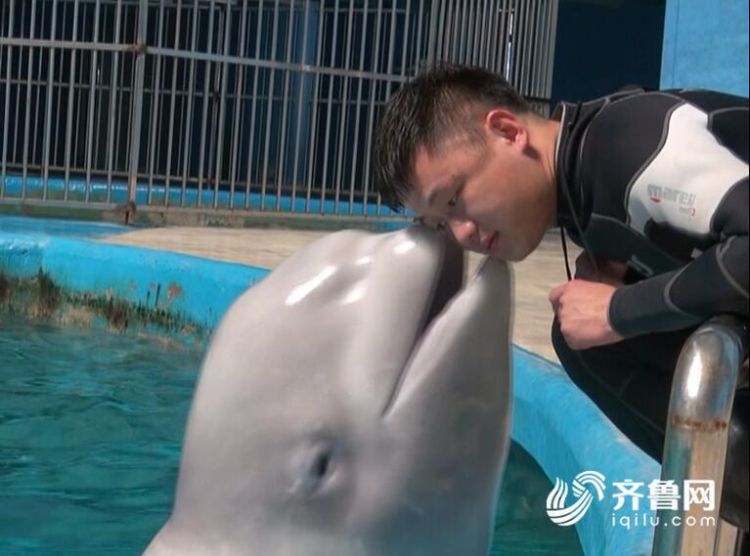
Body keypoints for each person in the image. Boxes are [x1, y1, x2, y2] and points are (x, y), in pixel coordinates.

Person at [373, 64, 748, 541]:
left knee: (595, 333)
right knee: (581, 339)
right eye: (441, 225)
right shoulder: (584, 186)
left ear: (507, 131)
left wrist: (619, 311)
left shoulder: (629, 144)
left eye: (453, 200)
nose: (462, 233)